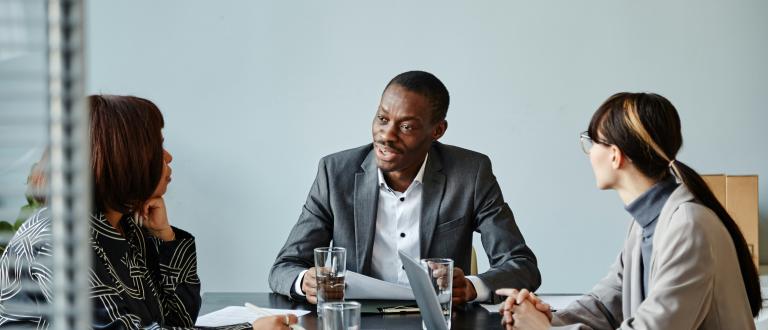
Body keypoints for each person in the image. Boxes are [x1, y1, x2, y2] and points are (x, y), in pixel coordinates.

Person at [269, 70, 541, 305]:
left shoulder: (470, 174)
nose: (387, 135)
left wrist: (472, 287)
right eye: (383, 119)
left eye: (407, 126)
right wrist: (304, 281)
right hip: (357, 320)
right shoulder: (335, 173)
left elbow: (521, 265)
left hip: (435, 321)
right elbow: (285, 267)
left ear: (437, 131)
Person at [497, 92, 761, 329]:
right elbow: (603, 305)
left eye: (592, 142)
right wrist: (545, 318)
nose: (589, 154)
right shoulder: (645, 223)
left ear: (615, 155)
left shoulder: (689, 226)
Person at [0, 95, 202, 328]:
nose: (168, 157)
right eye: (158, 147)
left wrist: (165, 236)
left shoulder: (127, 227)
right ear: (123, 157)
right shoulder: (57, 241)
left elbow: (179, 320)